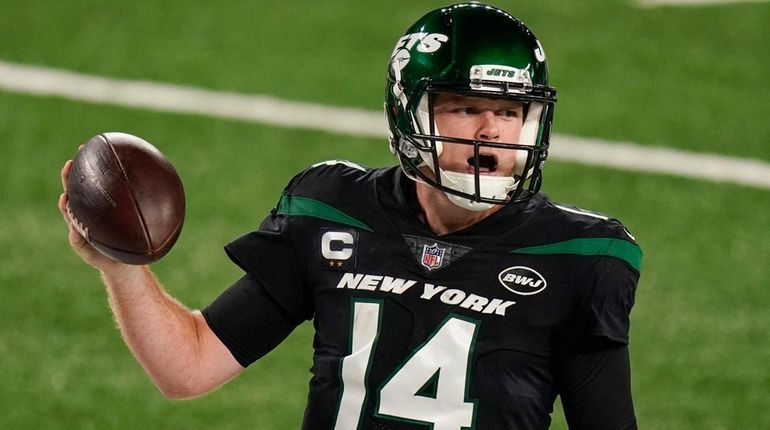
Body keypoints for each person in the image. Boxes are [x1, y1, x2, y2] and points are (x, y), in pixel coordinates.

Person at [59, 3, 641, 429]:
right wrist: (121, 266)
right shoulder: (332, 212)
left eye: (510, 111)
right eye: (466, 107)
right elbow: (187, 367)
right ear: (407, 113)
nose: (491, 133)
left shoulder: (580, 258)